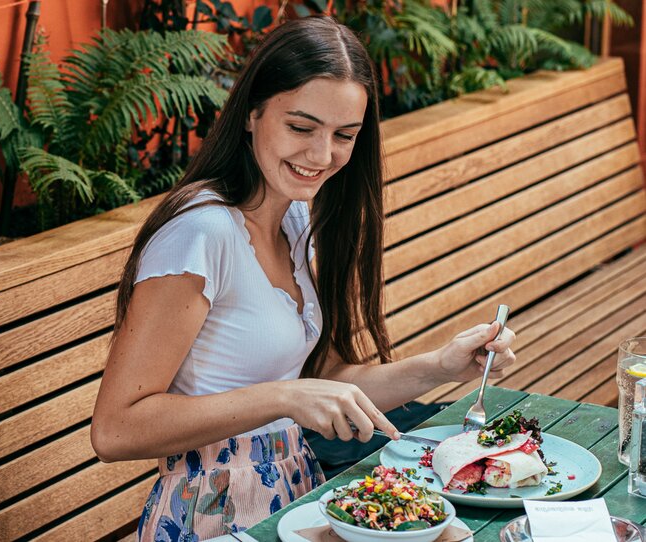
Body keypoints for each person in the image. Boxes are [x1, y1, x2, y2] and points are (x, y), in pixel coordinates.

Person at [91, 15, 516, 541]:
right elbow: (115, 430)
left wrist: (440, 366)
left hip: (296, 502)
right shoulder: (201, 234)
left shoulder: (293, 217)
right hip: (215, 516)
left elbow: (323, 383)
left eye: (344, 135)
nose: (322, 156)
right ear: (252, 114)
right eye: (301, 127)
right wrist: (284, 398)